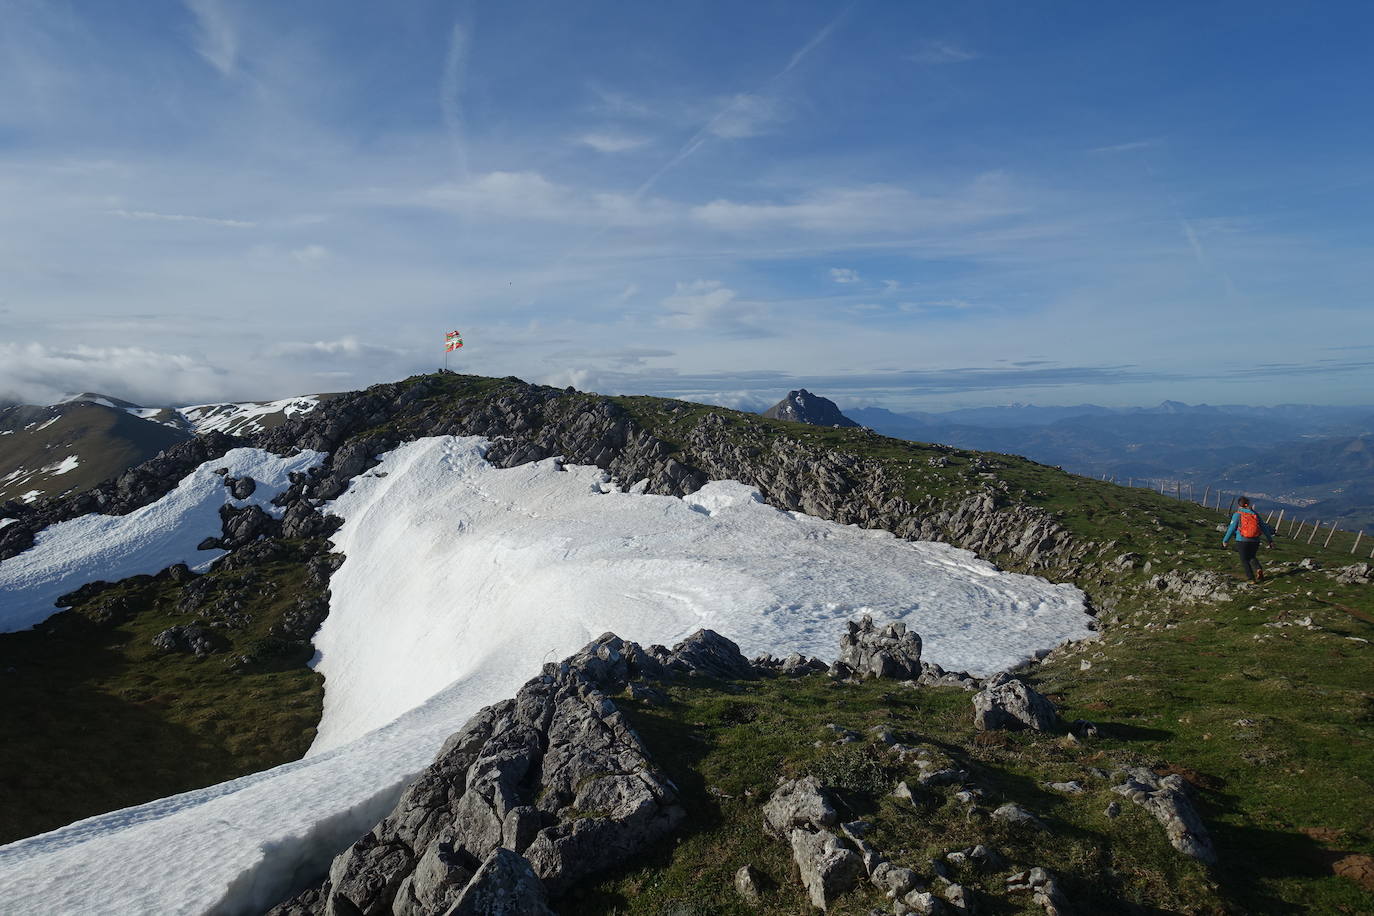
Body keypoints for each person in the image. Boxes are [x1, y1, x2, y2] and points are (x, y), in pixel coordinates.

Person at [1222, 496, 1276, 581]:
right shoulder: (1255, 514)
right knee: (1251, 556)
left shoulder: (1237, 514)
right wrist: (1270, 540)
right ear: (1248, 504)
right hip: (1255, 540)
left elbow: (1231, 528)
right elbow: (1264, 527)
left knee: (1244, 560)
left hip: (1242, 540)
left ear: (1239, 505)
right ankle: (1258, 569)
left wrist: (1225, 540)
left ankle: (1251, 578)